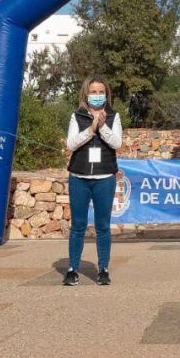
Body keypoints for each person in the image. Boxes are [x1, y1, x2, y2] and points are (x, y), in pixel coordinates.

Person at [63, 77, 123, 286]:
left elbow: (116, 142)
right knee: (78, 225)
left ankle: (103, 269)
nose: (97, 95)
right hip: (79, 177)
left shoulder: (114, 116)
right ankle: (72, 269)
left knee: (102, 226)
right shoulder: (77, 116)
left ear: (106, 94)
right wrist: (91, 130)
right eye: (93, 91)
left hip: (104, 177)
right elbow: (71, 144)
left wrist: (103, 126)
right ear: (85, 94)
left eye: (100, 92)